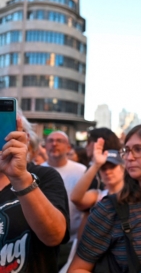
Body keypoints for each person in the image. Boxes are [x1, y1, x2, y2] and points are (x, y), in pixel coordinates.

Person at [69, 124, 141, 272]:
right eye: (126, 151)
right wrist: (96, 165)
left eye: (138, 149)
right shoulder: (109, 208)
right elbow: (77, 268)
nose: (129, 158)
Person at [0, 115, 69, 272]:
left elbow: (54, 236)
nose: (5, 139)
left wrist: (20, 178)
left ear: (26, 139)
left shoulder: (44, 176)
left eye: (10, 133)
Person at [42, 131, 86, 268]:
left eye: (59, 141)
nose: (54, 144)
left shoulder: (81, 171)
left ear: (68, 147)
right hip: (41, 240)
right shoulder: (35, 172)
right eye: (50, 140)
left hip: (73, 242)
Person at [70, 138, 125, 211]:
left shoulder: (135, 194)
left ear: (123, 168)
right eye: (103, 168)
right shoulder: (98, 196)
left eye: (112, 167)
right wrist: (96, 165)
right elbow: (75, 198)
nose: (107, 172)